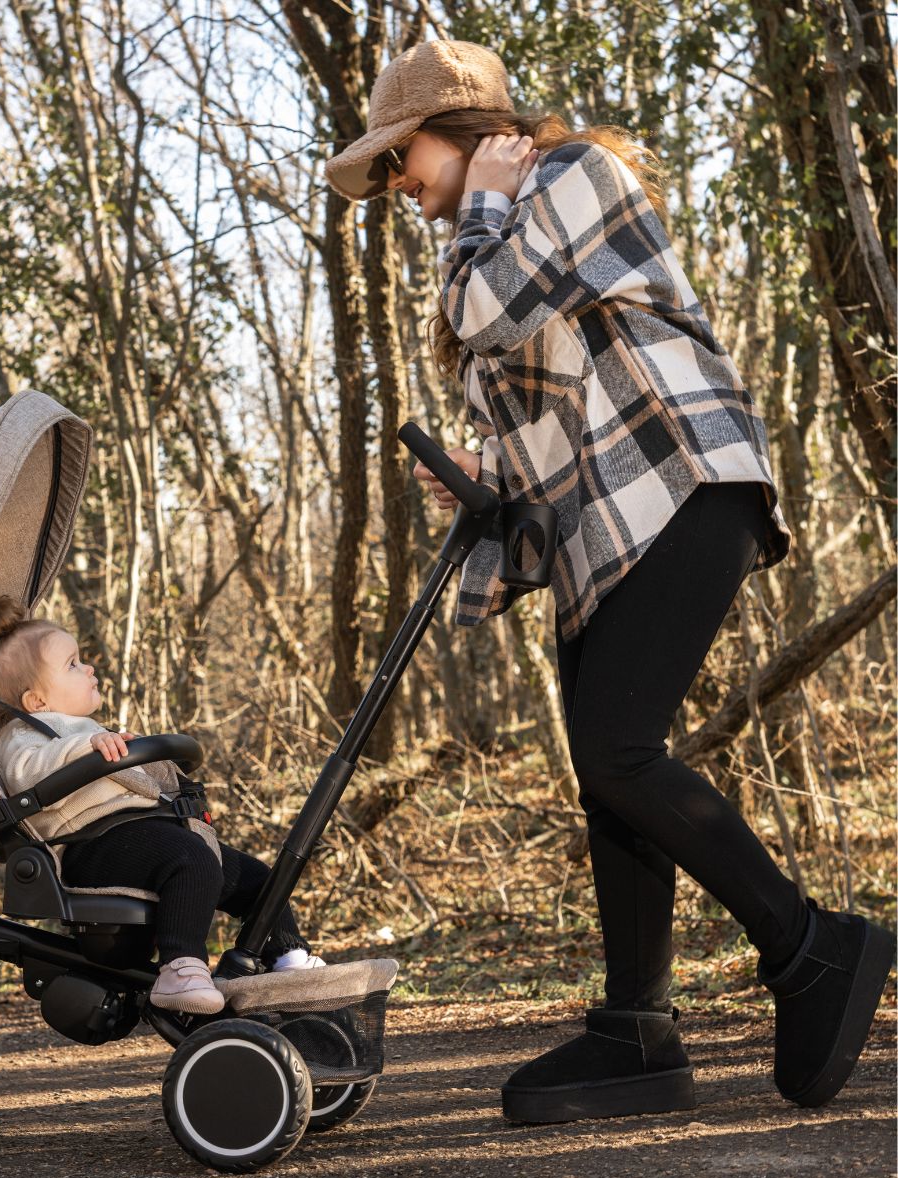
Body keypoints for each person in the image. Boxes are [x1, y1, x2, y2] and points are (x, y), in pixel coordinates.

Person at [324, 39, 893, 1122]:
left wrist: (487, 203)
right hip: (609, 526)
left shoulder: (571, 175)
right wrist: (486, 478)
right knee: (605, 770)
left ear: (461, 130)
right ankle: (638, 1032)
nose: (397, 185)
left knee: (619, 747)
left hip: (684, 485)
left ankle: (810, 947)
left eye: (401, 158)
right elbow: (558, 397)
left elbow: (488, 312)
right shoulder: (497, 223)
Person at [0, 595, 323, 1015]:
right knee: (190, 858)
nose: (89, 668)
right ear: (35, 701)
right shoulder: (22, 733)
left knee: (257, 877)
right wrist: (88, 746)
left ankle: (290, 957)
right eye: (73, 665)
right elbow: (27, 773)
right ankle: (181, 967)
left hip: (141, 838)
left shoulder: (74, 728)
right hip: (93, 847)